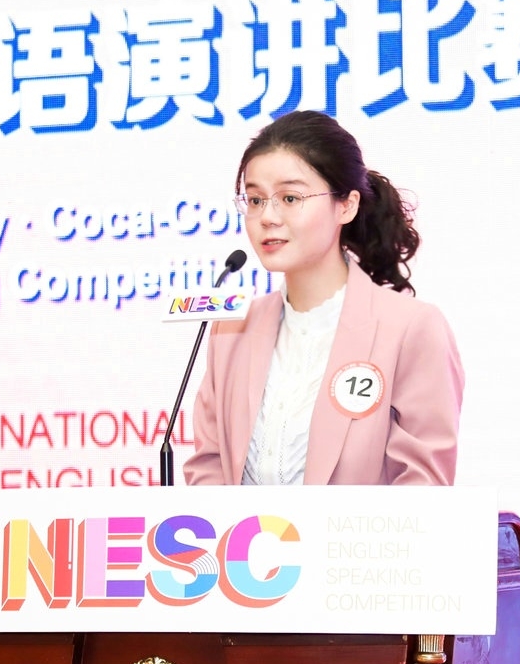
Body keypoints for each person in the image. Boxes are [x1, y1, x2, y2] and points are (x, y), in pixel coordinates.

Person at [184, 110, 464, 487]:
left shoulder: (411, 328)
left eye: (290, 197)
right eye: (255, 200)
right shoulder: (231, 329)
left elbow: (423, 485)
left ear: (346, 205)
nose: (267, 217)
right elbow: (209, 466)